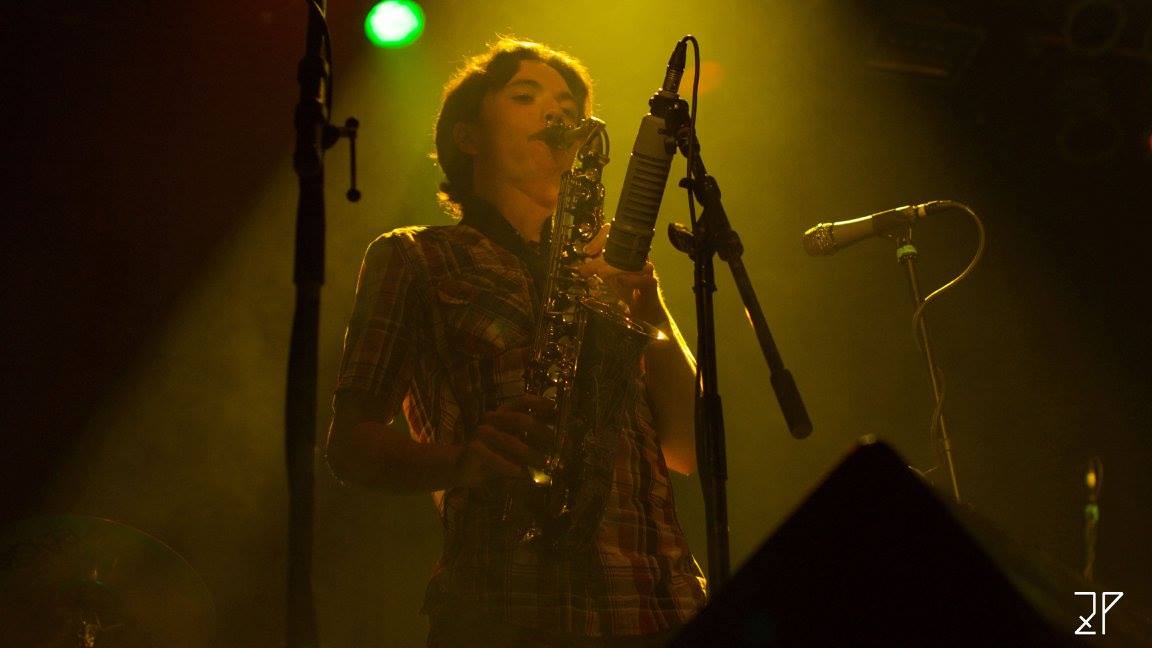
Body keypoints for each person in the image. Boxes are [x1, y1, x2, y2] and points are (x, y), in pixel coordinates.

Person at [325, 37, 707, 647]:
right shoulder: (417, 256)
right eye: (525, 97)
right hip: (508, 608)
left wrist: (647, 299)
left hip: (664, 604)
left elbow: (688, 450)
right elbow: (350, 445)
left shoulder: (603, 270)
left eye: (568, 107)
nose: (556, 113)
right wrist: (462, 462)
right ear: (468, 136)